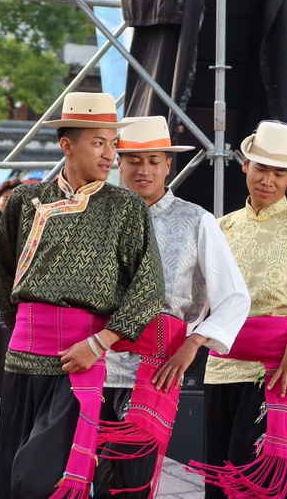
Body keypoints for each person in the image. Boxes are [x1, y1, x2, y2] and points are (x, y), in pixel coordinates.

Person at [0, 92, 165, 499]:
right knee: (11, 470)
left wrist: (99, 342)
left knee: (43, 478)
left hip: (79, 361)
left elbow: (149, 287)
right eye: (98, 142)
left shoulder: (126, 208)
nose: (109, 154)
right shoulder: (25, 201)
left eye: (112, 143)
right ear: (67, 144)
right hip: (22, 358)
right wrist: (27, 328)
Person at [89, 115, 251, 498]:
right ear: (120, 163)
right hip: (94, 358)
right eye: (134, 160)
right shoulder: (97, 214)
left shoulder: (197, 220)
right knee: (89, 472)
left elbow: (234, 295)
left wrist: (193, 345)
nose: (143, 170)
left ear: (168, 165)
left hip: (156, 364)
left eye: (153, 160)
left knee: (133, 477)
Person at [194, 121, 287, 499]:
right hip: (220, 367)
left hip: (275, 370)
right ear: (245, 165)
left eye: (280, 172)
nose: (268, 179)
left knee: (256, 480)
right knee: (217, 477)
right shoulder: (221, 228)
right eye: (261, 167)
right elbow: (200, 300)